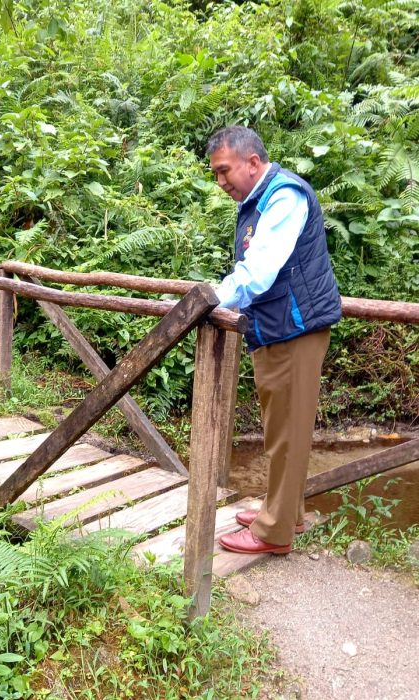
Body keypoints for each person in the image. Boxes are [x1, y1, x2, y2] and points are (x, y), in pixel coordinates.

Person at [207, 126, 341, 554]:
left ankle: (273, 531)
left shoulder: (283, 196)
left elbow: (260, 270)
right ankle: (287, 512)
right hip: (279, 327)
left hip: (294, 328)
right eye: (216, 174)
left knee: (287, 431)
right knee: (284, 427)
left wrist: (209, 297)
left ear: (252, 162)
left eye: (225, 170)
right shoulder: (257, 201)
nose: (221, 181)